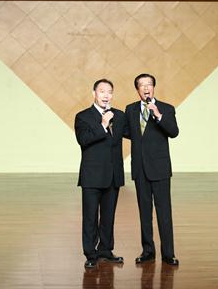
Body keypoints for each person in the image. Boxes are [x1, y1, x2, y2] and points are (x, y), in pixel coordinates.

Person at [125, 73, 180, 266]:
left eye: (149, 84)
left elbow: (174, 132)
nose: (146, 88)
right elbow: (129, 132)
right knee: (144, 213)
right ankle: (148, 251)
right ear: (137, 89)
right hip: (140, 168)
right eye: (142, 85)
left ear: (154, 87)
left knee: (164, 213)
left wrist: (158, 115)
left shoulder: (166, 108)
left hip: (160, 168)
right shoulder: (130, 109)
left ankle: (168, 253)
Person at [74, 79, 126, 269]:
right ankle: (90, 253)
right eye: (102, 91)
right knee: (90, 217)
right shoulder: (83, 116)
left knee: (108, 217)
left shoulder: (119, 115)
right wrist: (103, 124)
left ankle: (105, 250)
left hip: (113, 175)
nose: (106, 95)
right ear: (94, 93)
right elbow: (84, 140)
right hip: (92, 175)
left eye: (109, 92)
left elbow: (134, 134)